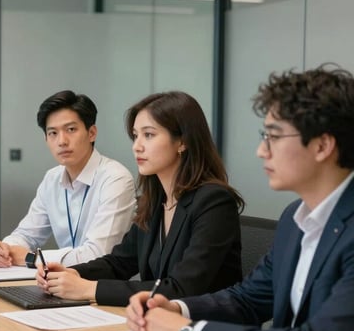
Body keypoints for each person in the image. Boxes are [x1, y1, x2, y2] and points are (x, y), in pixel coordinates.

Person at [126, 65, 354, 331]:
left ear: (322, 146)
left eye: (274, 137)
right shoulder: (295, 219)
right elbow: (248, 300)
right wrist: (176, 308)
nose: (262, 151)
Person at [36, 91, 243, 306]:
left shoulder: (214, 202)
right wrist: (70, 273)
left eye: (149, 135)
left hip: (204, 329)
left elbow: (182, 288)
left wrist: (89, 288)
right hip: (155, 323)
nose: (137, 146)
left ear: (182, 141)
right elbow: (119, 263)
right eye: (135, 136)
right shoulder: (155, 201)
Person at [0, 90, 136, 268]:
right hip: (61, 284)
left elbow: (99, 253)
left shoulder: (115, 179)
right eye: (53, 133)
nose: (62, 141)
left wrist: (31, 258)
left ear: (92, 133)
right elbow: (27, 234)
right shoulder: (52, 178)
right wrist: (4, 249)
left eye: (71, 130)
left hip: (100, 288)